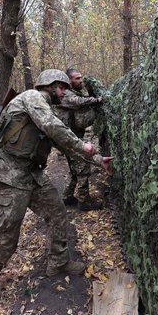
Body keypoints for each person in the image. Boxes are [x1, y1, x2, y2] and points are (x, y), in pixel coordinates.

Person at [0, 69, 113, 302]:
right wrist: (84, 145)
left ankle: (58, 262)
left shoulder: (46, 110)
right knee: (8, 233)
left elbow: (65, 144)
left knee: (57, 212)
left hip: (32, 174)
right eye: (61, 87)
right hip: (7, 175)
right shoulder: (33, 98)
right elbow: (53, 126)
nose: (64, 93)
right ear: (49, 85)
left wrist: (97, 160)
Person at [54, 68, 104, 210]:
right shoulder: (66, 94)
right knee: (83, 168)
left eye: (81, 77)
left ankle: (67, 197)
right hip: (70, 138)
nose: (80, 80)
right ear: (69, 80)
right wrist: (96, 100)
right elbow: (77, 102)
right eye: (77, 78)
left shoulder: (72, 92)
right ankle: (84, 201)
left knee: (74, 170)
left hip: (72, 136)